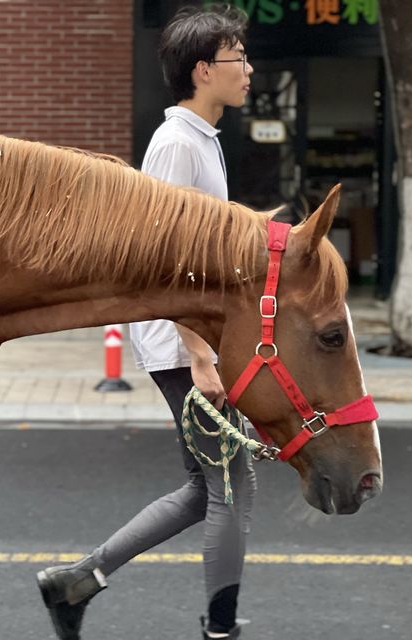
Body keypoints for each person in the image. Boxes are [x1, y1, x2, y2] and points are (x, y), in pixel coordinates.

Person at [37, 5, 256, 639]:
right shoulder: (175, 144)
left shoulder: (202, 141)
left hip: (196, 340)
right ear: (201, 70)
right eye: (237, 58)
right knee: (231, 491)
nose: (248, 69)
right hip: (181, 344)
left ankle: (77, 583)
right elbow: (162, 260)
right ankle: (221, 630)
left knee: (207, 486)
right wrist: (199, 352)